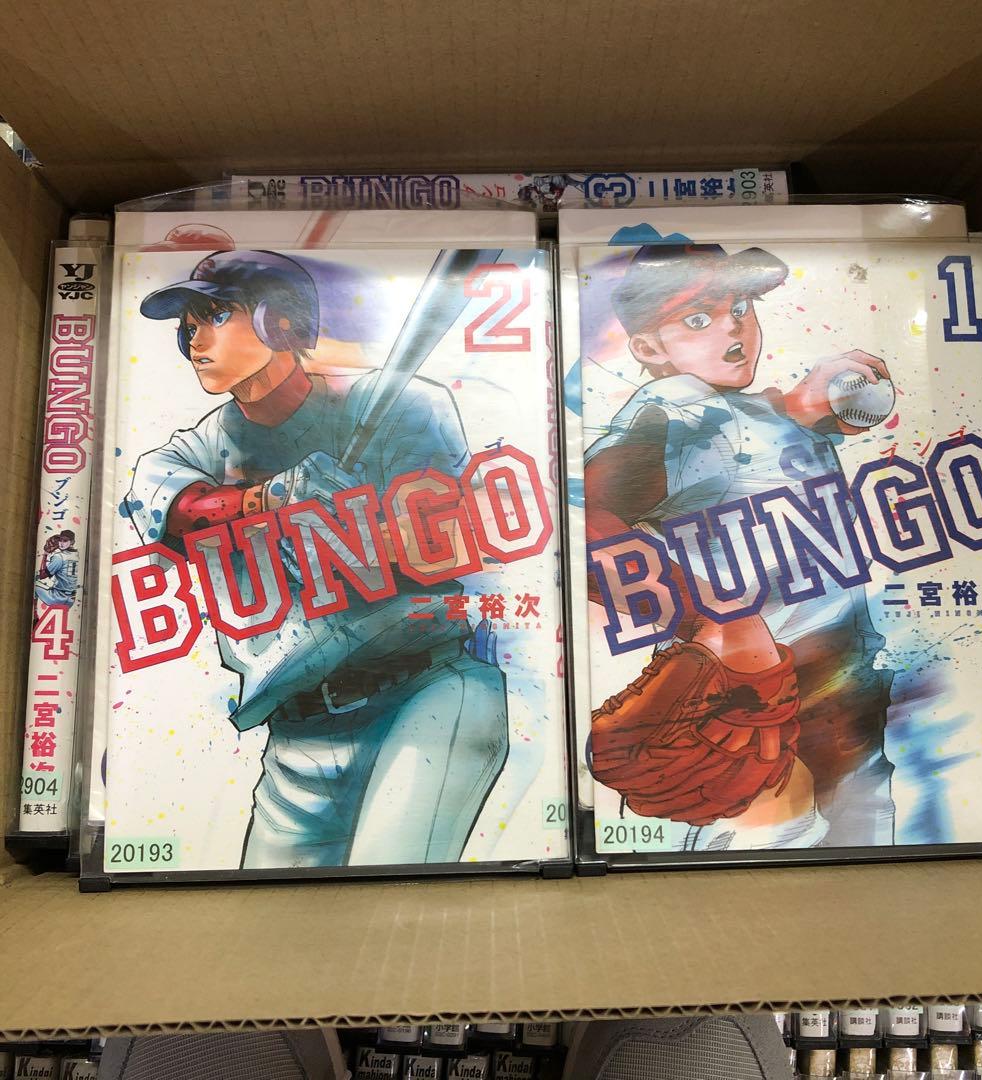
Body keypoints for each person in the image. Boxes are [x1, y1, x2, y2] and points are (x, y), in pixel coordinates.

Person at [128, 249, 508, 869]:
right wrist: (271, 499)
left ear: (280, 322)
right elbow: (176, 510)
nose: (194, 339)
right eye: (188, 323)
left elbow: (445, 546)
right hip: (297, 732)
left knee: (395, 889)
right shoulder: (195, 449)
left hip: (423, 693)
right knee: (269, 907)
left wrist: (359, 520)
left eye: (216, 315)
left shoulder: (405, 406)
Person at [584, 243, 895, 850]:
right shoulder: (674, 411)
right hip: (756, 720)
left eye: (741, 306)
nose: (733, 326)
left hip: (845, 705)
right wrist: (712, 613)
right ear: (648, 349)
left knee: (870, 879)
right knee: (760, 881)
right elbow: (587, 526)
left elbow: (747, 442)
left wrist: (801, 403)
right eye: (698, 318)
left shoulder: (741, 412)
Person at [35, 529, 78, 608]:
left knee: (34, 587)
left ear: (72, 542)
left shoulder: (59, 556)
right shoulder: (77, 555)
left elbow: (42, 575)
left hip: (57, 597)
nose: (61, 543)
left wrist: (46, 554)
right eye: (60, 540)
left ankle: (35, 613)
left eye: (65, 540)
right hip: (72, 599)